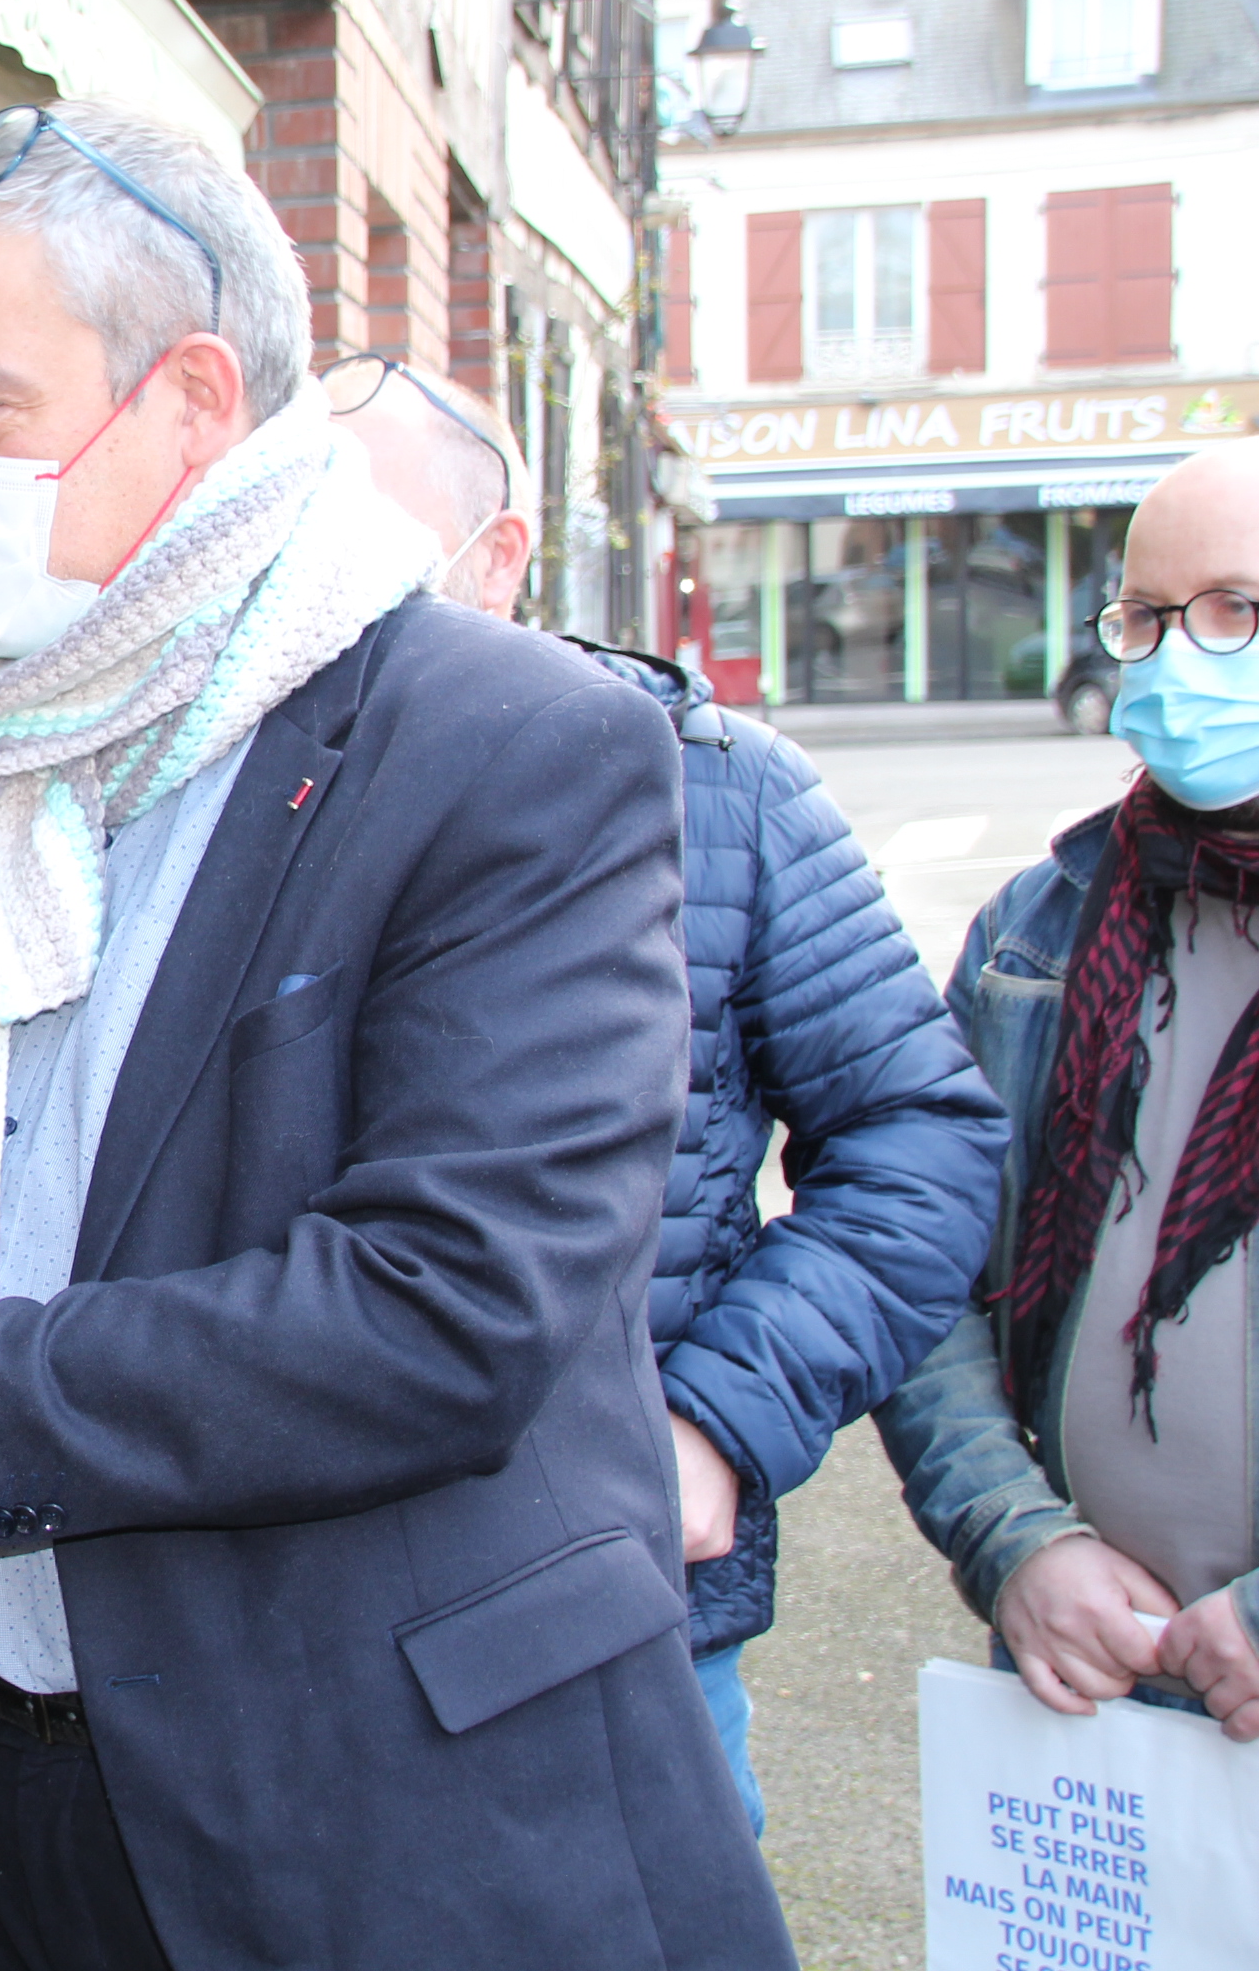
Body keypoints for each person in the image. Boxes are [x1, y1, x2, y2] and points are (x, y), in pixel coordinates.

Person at [0, 100, 794, 1970]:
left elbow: (446, 1314)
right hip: (15, 1782)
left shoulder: (511, 744)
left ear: (190, 399)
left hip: (373, 1802)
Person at [339, 352, 1008, 1828]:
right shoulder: (233, 805)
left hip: (619, 1609)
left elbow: (922, 1140)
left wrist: (717, 1424)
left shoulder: (724, 792)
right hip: (289, 1631)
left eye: (355, 553)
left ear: (496, 558)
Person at [879, 442, 1259, 1746]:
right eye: (1148, 618)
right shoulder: (1043, 933)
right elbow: (923, 1273)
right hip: (1097, 1684)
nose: (1176, 660)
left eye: (1237, 611)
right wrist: (1018, 1540)